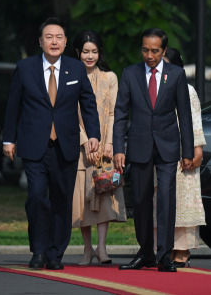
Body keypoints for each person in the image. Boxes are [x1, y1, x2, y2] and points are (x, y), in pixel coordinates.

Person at [2, 17, 100, 271]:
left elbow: (88, 104)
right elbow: (13, 106)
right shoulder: (25, 68)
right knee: (36, 197)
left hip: (65, 145)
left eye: (59, 37)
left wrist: (93, 135)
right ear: (40, 41)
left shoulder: (76, 69)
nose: (54, 41)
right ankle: (38, 250)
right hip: (34, 145)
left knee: (61, 200)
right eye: (49, 37)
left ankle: (55, 253)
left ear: (66, 42)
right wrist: (8, 139)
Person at [114, 28, 194, 273]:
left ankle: (164, 255)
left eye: (155, 51)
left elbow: (185, 115)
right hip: (138, 145)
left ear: (164, 50)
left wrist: (187, 151)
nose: (149, 55)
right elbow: (120, 115)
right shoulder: (130, 73)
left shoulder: (177, 74)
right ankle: (146, 252)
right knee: (139, 200)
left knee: (167, 199)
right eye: (145, 50)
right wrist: (119, 148)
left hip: (168, 146)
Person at [71, 30, 127, 266]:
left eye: (94, 51)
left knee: (104, 193)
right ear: (77, 52)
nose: (90, 56)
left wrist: (111, 144)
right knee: (82, 199)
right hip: (78, 146)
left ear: (100, 53)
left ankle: (102, 248)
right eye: (85, 51)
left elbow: (115, 111)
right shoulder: (70, 77)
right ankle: (86, 249)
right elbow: (68, 114)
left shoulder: (110, 78)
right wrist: (85, 141)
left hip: (105, 147)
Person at [160, 47, 206, 267]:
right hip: (160, 151)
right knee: (162, 201)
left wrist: (196, 149)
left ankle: (181, 248)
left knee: (183, 201)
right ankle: (162, 248)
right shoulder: (154, 87)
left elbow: (195, 121)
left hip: (182, 152)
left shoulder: (188, 90)